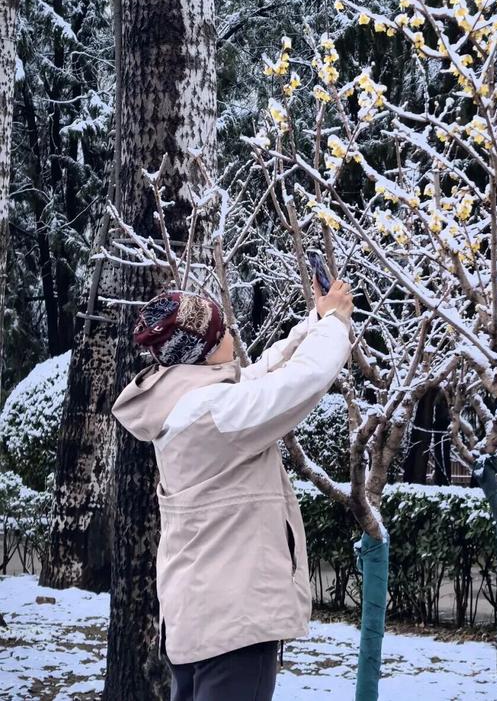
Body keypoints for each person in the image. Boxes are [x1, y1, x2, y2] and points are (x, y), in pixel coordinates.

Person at [111, 278, 353, 701]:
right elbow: (301, 382)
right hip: (233, 625)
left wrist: (314, 321)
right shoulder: (215, 414)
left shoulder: (184, 401)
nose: (229, 337)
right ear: (201, 354)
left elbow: (259, 378)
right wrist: (335, 324)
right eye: (220, 333)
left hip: (197, 618)